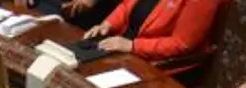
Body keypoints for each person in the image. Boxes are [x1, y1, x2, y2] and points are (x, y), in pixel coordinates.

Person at [80, 0, 221, 66]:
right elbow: (127, 6)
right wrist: (107, 25)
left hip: (154, 62)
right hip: (121, 47)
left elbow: (182, 44)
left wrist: (133, 46)